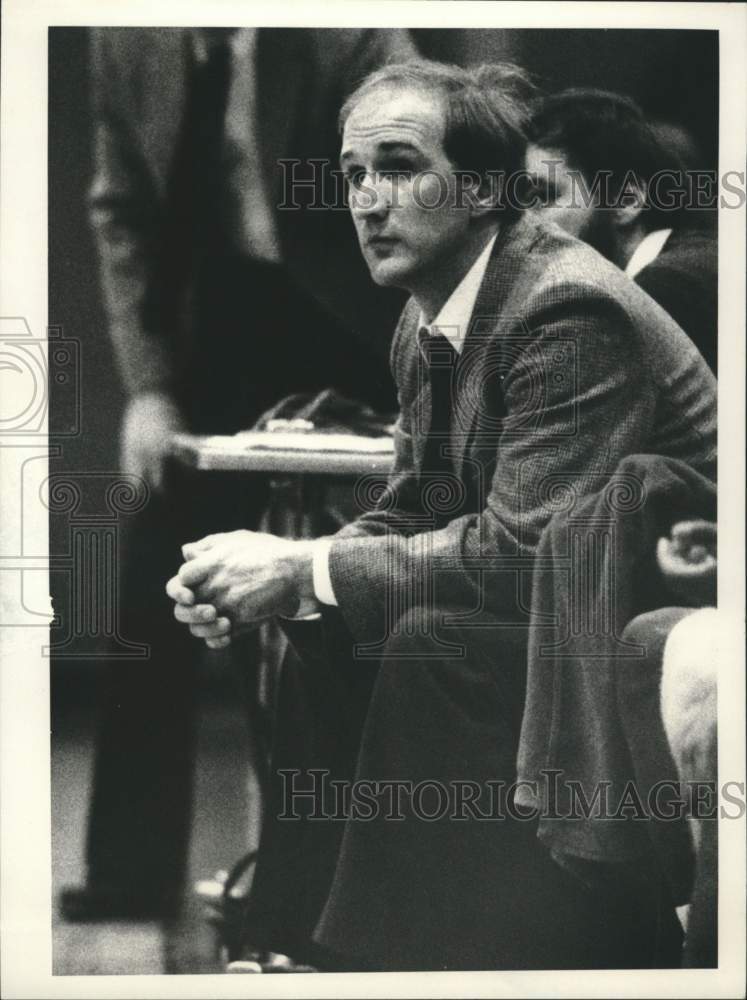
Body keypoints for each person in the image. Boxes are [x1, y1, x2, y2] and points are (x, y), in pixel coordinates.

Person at [167, 60, 717, 970]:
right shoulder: (431, 315)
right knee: (328, 633)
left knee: (431, 641)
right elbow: (412, 511)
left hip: (644, 608)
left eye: (397, 165)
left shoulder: (566, 307)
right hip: (560, 601)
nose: (367, 200)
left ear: (484, 188)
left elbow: (518, 551)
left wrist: (302, 567)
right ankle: (292, 946)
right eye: (352, 175)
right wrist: (277, 579)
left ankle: (395, 960)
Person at [62, 26, 416, 922]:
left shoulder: (348, 32)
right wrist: (148, 392)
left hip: (358, 309)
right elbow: (124, 215)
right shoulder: (128, 39)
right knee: (153, 579)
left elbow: (420, 174)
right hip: (221, 312)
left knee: (370, 587)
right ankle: (129, 877)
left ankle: (349, 889)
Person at [525, 88, 717, 372]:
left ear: (626, 201)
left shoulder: (667, 288)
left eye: (543, 196)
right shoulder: (691, 263)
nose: (523, 221)